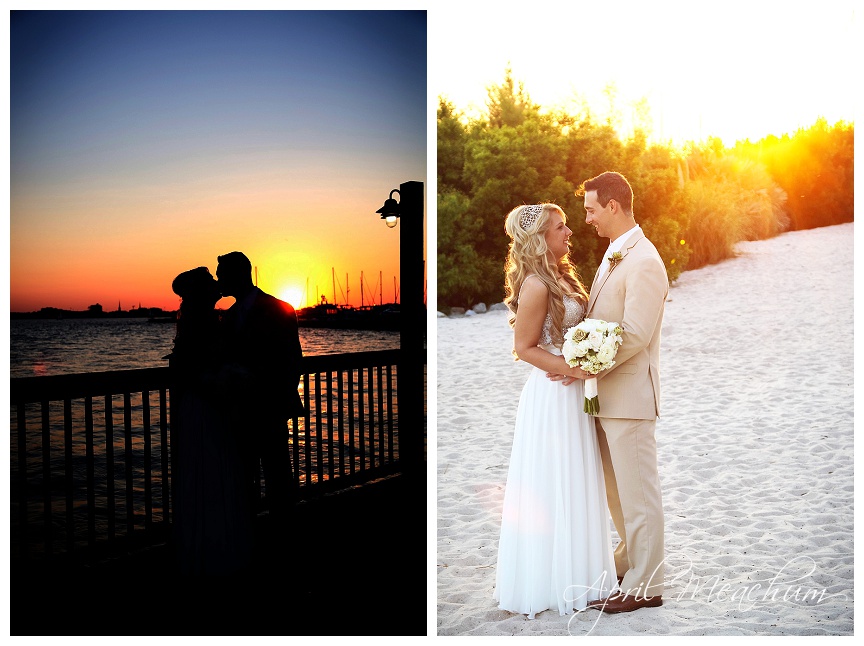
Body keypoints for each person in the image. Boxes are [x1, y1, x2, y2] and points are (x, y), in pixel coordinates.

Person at [493, 202, 618, 619]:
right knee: (555, 480)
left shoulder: (562, 276)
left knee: (579, 478)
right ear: (539, 238)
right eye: (560, 227)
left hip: (575, 392)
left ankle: (582, 570)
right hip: (551, 396)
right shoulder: (536, 286)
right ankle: (552, 579)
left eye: (566, 225)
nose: (569, 233)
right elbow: (523, 348)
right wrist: (573, 369)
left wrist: (589, 360)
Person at [552, 171, 668, 614]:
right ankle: (628, 561)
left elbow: (635, 333)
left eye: (591, 209)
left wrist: (584, 364)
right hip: (606, 395)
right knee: (617, 491)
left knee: (639, 493)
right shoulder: (614, 255)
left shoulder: (645, 261)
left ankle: (646, 586)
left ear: (614, 206)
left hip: (632, 396)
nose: (587, 219)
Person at [168, 266, 254, 577]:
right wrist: (221, 382)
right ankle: (213, 550)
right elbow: (193, 368)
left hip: (210, 404)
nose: (217, 285)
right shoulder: (199, 322)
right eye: (210, 284)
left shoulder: (207, 320)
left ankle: (212, 547)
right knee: (210, 470)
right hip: (206, 405)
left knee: (214, 471)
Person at [215, 251, 305, 534]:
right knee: (243, 476)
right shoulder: (227, 317)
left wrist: (276, 399)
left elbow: (292, 361)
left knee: (278, 475)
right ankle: (248, 532)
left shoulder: (280, 308)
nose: (219, 280)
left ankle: (285, 531)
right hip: (239, 412)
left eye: (222, 274)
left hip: (270, 409)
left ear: (239, 274)